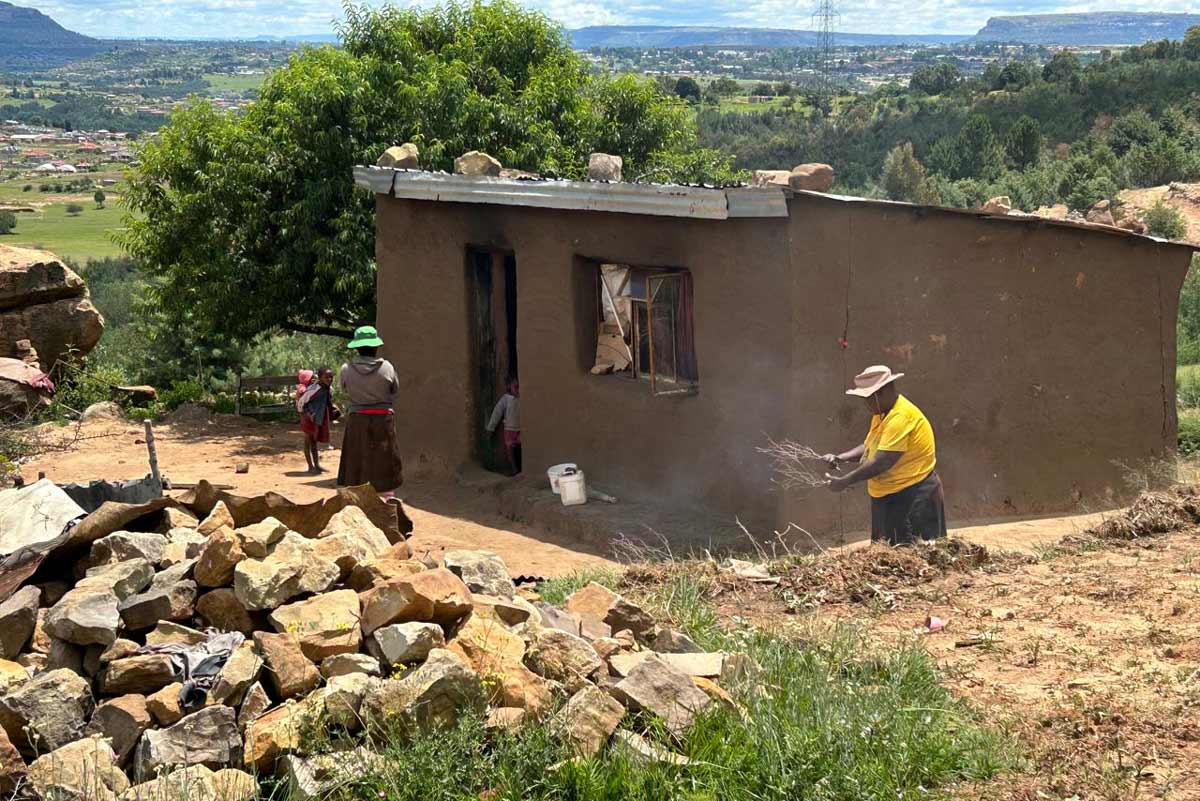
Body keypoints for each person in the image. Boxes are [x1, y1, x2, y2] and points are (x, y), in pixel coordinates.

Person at [822, 364, 946, 545]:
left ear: (882, 392)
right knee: (889, 560)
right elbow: (869, 447)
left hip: (913, 497)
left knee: (914, 560)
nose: (866, 404)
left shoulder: (900, 418)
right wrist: (841, 457)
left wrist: (844, 481)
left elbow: (881, 461)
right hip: (891, 497)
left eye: (868, 398)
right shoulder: (882, 414)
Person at [337, 326, 403, 496]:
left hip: (356, 420)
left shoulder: (346, 369)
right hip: (383, 420)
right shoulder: (387, 367)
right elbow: (394, 389)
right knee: (384, 459)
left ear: (357, 347)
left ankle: (356, 497)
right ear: (375, 347)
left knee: (355, 458)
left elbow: (343, 389)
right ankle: (386, 498)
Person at [298, 366, 337, 474]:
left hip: (317, 418)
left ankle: (317, 465)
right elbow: (302, 402)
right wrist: (306, 414)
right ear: (319, 378)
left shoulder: (329, 389)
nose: (329, 379)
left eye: (331, 377)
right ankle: (310, 467)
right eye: (326, 377)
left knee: (314, 442)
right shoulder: (313, 390)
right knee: (308, 441)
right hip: (308, 418)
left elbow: (328, 401)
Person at [485, 380, 521, 475]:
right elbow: (497, 412)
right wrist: (491, 428)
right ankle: (514, 469)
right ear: (509, 387)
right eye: (516, 387)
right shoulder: (506, 399)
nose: (518, 390)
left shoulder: (523, 398)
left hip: (521, 429)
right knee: (510, 450)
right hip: (509, 429)